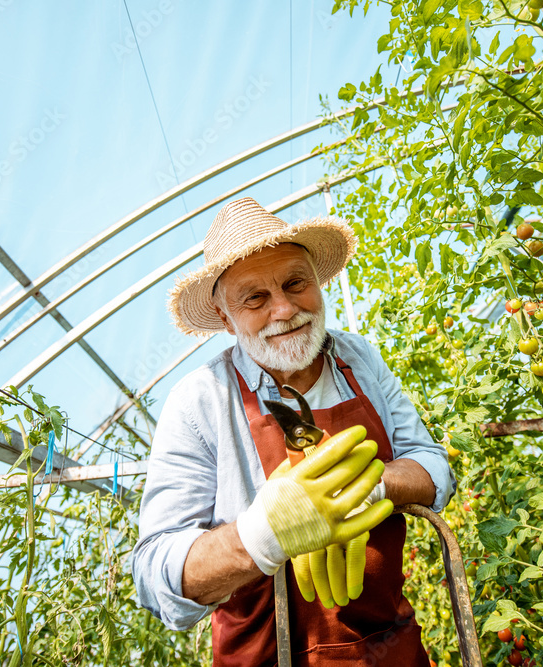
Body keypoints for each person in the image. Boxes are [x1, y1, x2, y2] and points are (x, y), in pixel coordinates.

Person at [131, 198, 456, 666]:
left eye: (295, 283)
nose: (284, 309)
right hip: (267, 655)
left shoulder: (358, 361)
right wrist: (261, 535)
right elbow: (154, 573)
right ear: (225, 319)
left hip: (387, 647)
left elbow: (432, 466)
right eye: (255, 298)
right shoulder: (200, 399)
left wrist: (368, 486)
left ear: (317, 283)